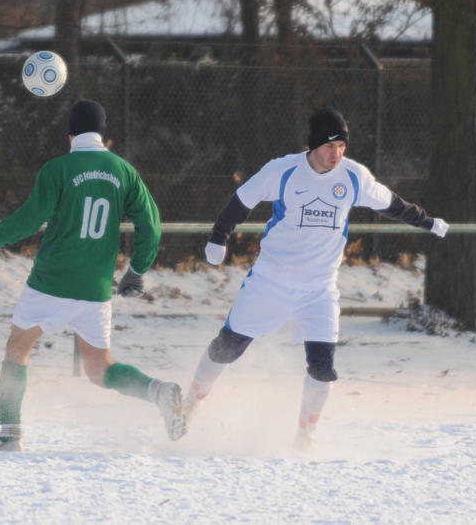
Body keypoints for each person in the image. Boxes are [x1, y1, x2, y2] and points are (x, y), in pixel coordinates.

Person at [176, 106, 449, 448]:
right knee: (226, 349)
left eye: (341, 146)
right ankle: (188, 407)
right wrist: (219, 237)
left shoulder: (354, 177)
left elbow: (393, 205)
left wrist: (428, 222)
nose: (336, 153)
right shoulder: (282, 170)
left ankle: (304, 438)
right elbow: (241, 201)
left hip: (319, 290)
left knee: (323, 369)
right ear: (313, 145)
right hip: (270, 283)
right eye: (329, 146)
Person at [0, 99, 185, 451]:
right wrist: (137, 270)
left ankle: (9, 435)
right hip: (95, 289)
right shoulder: (124, 171)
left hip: (50, 283)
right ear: (103, 135)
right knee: (100, 369)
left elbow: (28, 221)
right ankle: (157, 391)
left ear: (70, 134)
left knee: (18, 348)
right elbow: (151, 224)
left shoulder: (58, 169)